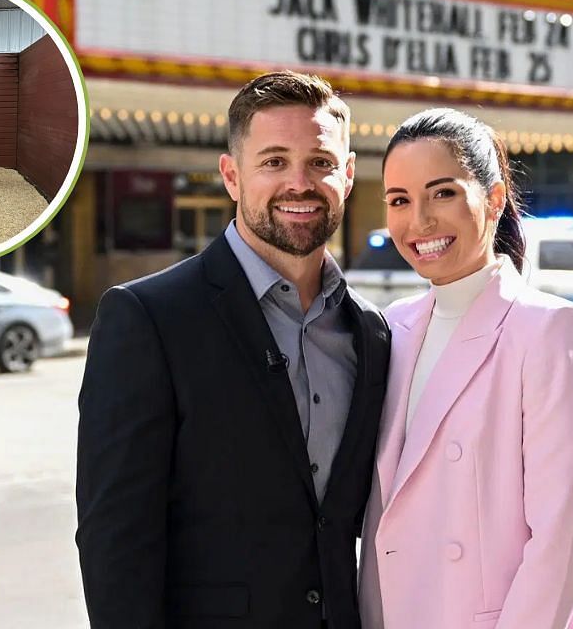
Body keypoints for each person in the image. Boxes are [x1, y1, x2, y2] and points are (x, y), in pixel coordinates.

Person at [75, 71, 390, 629]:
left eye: (319, 162)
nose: (299, 182)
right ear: (232, 176)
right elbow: (115, 535)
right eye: (273, 161)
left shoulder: (371, 333)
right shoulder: (149, 317)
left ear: (346, 175)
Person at [359, 108, 573, 629]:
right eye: (399, 200)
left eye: (442, 193)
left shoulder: (548, 329)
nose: (418, 221)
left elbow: (558, 540)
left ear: (493, 200)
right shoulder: (391, 328)